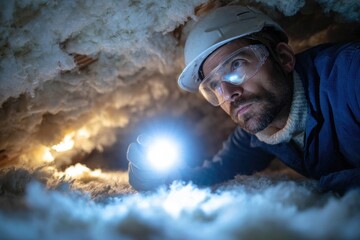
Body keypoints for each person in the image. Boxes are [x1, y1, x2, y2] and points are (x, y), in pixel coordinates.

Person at [127, 5, 360, 194]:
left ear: (284, 58)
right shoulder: (257, 134)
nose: (228, 94)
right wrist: (154, 177)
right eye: (213, 85)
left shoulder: (351, 75)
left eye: (236, 65)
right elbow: (214, 174)